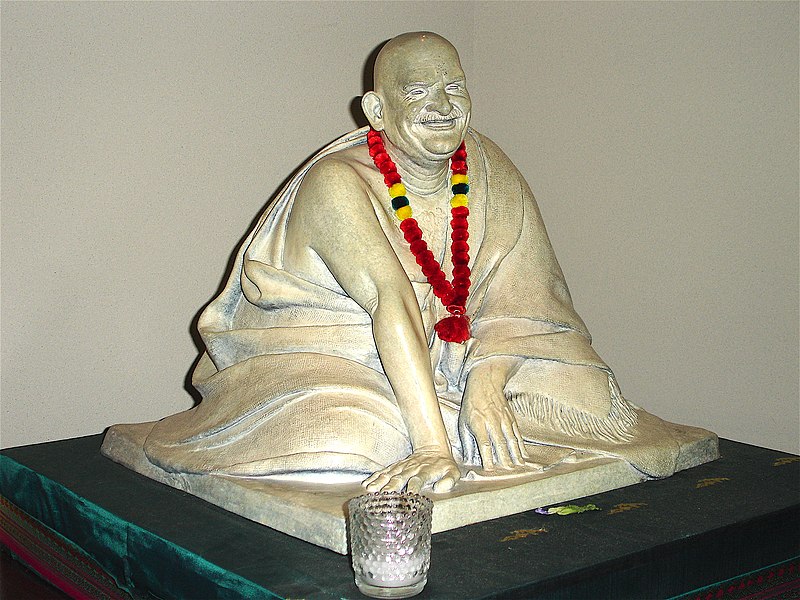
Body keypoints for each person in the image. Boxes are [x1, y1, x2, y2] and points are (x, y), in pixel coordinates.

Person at [134, 32, 710, 494]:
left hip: (458, 359)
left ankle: (459, 420)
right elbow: (394, 299)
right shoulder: (337, 183)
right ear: (377, 111)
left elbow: (525, 304)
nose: (441, 107)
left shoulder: (487, 170)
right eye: (417, 93)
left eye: (454, 87)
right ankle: (438, 432)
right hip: (329, 359)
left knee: (588, 396)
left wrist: (489, 373)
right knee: (365, 440)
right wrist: (432, 445)